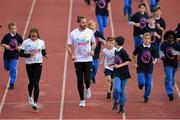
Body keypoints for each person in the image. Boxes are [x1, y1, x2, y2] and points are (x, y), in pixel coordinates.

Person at [67, 16, 96, 107]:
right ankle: (82, 100)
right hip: (78, 60)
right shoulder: (73, 33)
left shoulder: (90, 32)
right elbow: (68, 45)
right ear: (78, 23)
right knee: (79, 80)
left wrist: (92, 50)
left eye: (85, 22)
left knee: (87, 80)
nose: (85, 24)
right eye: (83, 22)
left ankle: (87, 87)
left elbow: (94, 42)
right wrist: (72, 55)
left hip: (88, 59)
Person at [19, 28, 47, 111]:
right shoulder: (26, 42)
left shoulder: (41, 42)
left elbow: (43, 51)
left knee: (36, 83)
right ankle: (30, 95)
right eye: (32, 36)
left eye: (35, 36)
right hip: (29, 64)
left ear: (37, 35)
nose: (34, 37)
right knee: (31, 82)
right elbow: (20, 53)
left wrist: (45, 55)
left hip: (38, 63)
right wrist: (28, 55)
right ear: (30, 35)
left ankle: (35, 103)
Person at [133, 32, 158, 103]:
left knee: (148, 83)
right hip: (140, 67)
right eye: (145, 38)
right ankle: (140, 83)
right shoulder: (139, 47)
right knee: (142, 82)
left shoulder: (153, 47)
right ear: (143, 39)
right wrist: (134, 62)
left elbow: (156, 56)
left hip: (149, 67)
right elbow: (134, 54)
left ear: (150, 40)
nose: (147, 40)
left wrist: (155, 61)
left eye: (148, 38)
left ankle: (146, 96)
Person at [111, 36, 131, 114]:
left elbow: (128, 61)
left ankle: (122, 106)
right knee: (116, 88)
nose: (113, 43)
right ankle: (116, 101)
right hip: (116, 73)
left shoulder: (123, 51)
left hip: (124, 73)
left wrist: (119, 65)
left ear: (116, 43)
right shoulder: (116, 50)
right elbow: (117, 60)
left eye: (114, 42)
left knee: (122, 91)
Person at [1, 22, 23, 89]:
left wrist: (19, 48)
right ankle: (9, 68)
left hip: (15, 55)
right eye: (12, 29)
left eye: (14, 28)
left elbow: (23, 45)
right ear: (9, 29)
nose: (13, 30)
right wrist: (6, 45)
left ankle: (12, 83)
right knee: (7, 68)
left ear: (16, 28)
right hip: (7, 55)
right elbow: (2, 43)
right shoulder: (7, 36)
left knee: (13, 68)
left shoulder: (19, 36)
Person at [160, 30, 180, 101]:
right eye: (169, 38)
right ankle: (170, 93)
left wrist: (175, 53)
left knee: (171, 78)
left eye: (172, 38)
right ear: (166, 38)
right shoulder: (164, 44)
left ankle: (171, 81)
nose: (170, 39)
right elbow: (161, 51)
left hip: (175, 64)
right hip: (167, 64)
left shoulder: (177, 45)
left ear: (174, 38)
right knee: (169, 77)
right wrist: (162, 56)